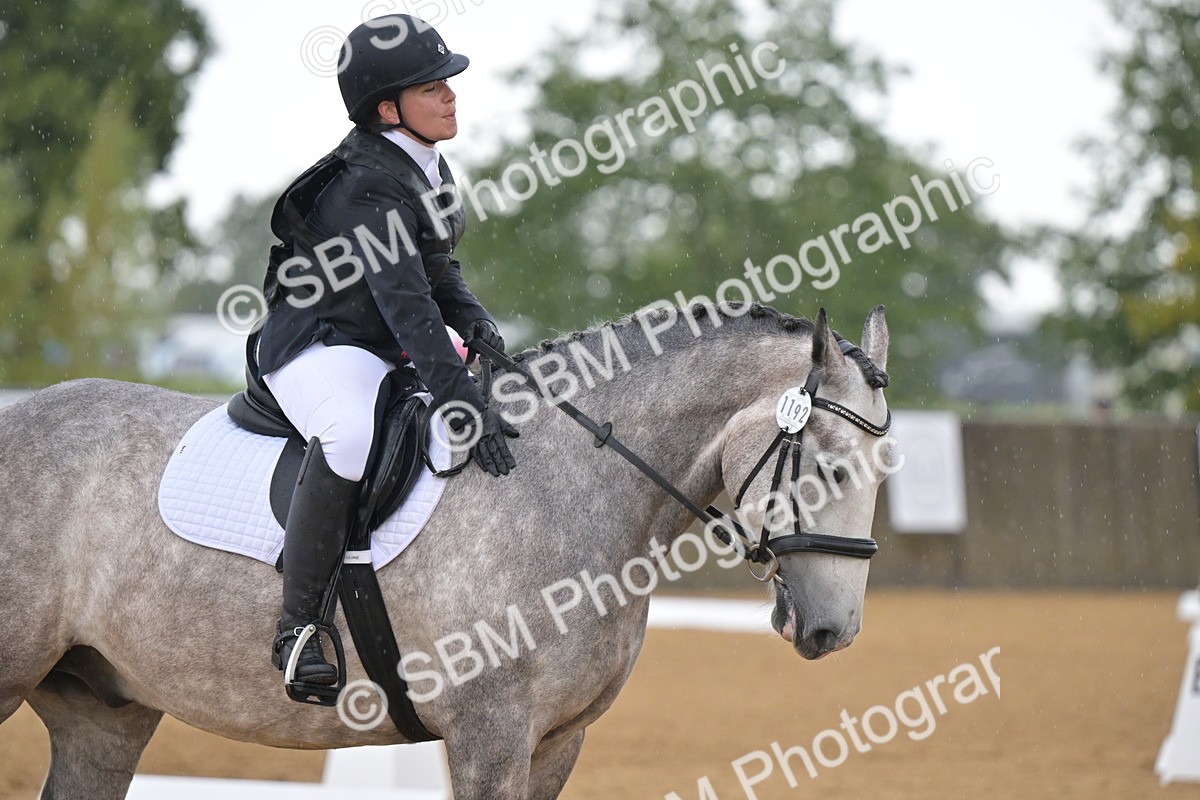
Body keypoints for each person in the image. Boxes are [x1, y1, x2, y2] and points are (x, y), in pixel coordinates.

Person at [247, 14, 516, 687]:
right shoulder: (368, 184)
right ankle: (299, 628)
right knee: (348, 435)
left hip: (374, 340)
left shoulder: (426, 160)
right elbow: (407, 307)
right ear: (388, 108)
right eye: (433, 87)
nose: (452, 95)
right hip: (317, 342)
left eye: (449, 82)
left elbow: (437, 271)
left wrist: (481, 327)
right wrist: (461, 402)